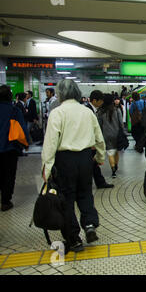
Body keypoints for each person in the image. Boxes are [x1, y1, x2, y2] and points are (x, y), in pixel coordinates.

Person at [42, 79, 105, 253]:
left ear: (60, 94)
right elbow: (99, 137)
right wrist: (100, 156)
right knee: (85, 193)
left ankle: (74, 239)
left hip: (65, 160)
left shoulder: (57, 113)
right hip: (85, 158)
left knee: (67, 200)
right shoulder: (87, 112)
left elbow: (50, 143)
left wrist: (47, 168)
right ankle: (90, 224)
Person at [0, 85, 29, 211]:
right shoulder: (15, 110)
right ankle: (6, 199)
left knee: (0, 172)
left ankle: (3, 192)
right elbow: (22, 128)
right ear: (9, 97)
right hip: (11, 148)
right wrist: (26, 144)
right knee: (10, 173)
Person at [86, 90, 114, 189]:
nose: (102, 103)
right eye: (101, 101)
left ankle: (100, 182)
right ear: (94, 101)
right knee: (92, 164)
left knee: (94, 164)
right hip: (88, 143)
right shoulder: (87, 110)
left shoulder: (93, 110)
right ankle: (97, 183)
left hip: (91, 143)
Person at [97, 94, 124, 179]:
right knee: (116, 151)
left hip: (106, 135)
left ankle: (113, 170)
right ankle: (116, 165)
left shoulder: (101, 111)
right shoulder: (117, 110)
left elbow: (99, 125)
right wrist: (122, 132)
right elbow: (121, 123)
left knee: (110, 153)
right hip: (117, 134)